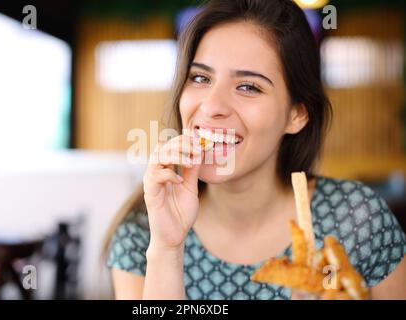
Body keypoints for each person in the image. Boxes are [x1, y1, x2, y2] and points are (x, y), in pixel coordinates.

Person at [105, 0, 406, 299]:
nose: (211, 106)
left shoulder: (359, 220)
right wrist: (167, 249)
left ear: (297, 114)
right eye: (200, 78)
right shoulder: (143, 233)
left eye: (248, 86)